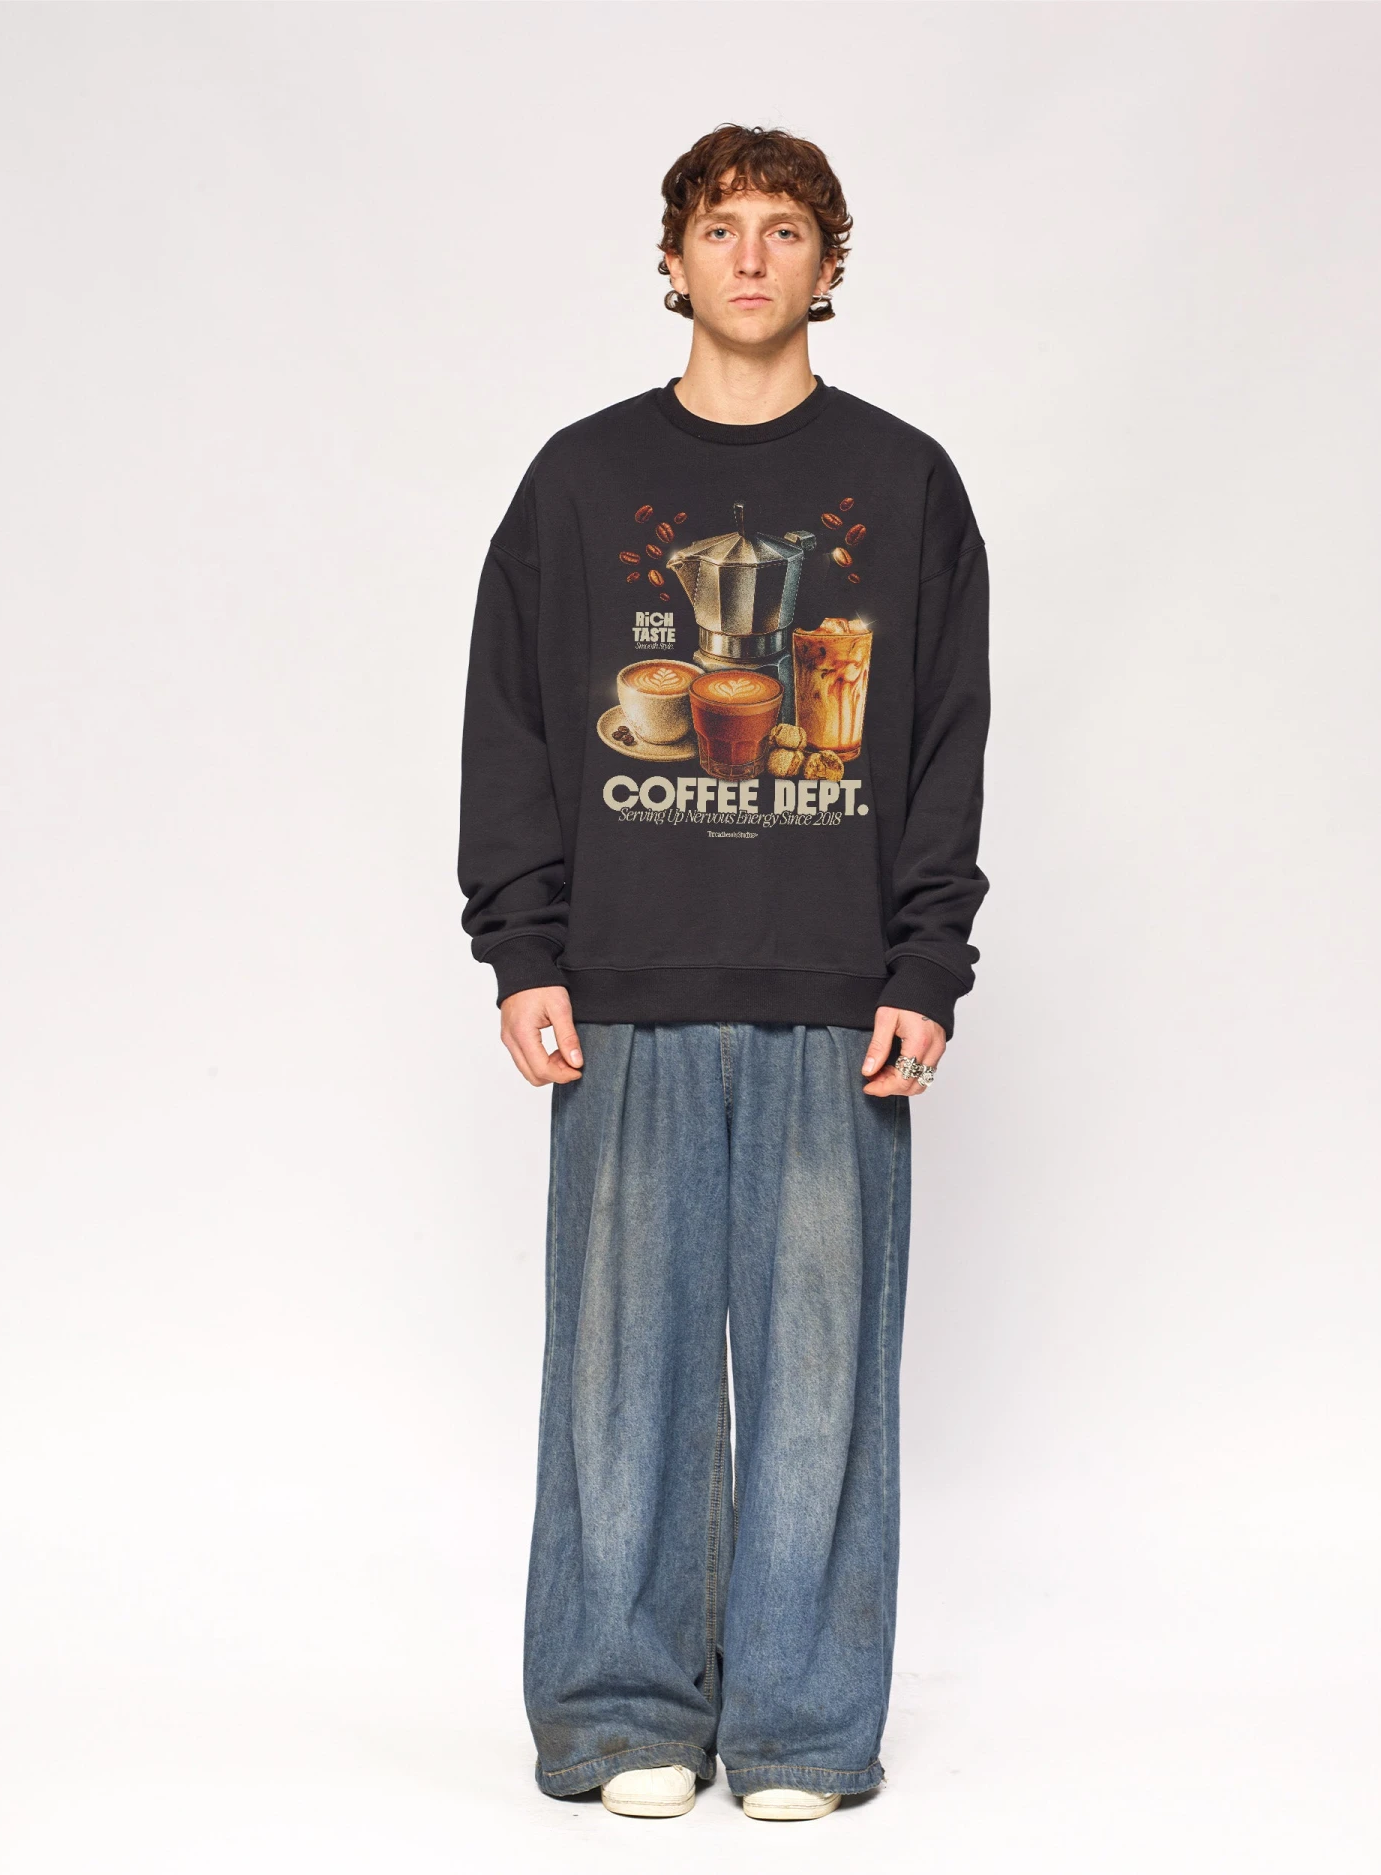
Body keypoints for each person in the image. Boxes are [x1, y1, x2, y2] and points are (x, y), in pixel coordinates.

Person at [458, 123, 991, 1823]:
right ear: (673, 260)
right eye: (719, 227)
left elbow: (944, 740)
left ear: (830, 266)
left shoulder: (906, 483)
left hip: (841, 992)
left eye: (784, 230)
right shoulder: (581, 478)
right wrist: (521, 945)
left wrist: (928, 962)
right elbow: (512, 723)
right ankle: (621, 1710)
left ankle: (801, 1726)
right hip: (624, 985)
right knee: (620, 1374)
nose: (750, 257)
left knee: (823, 1380)